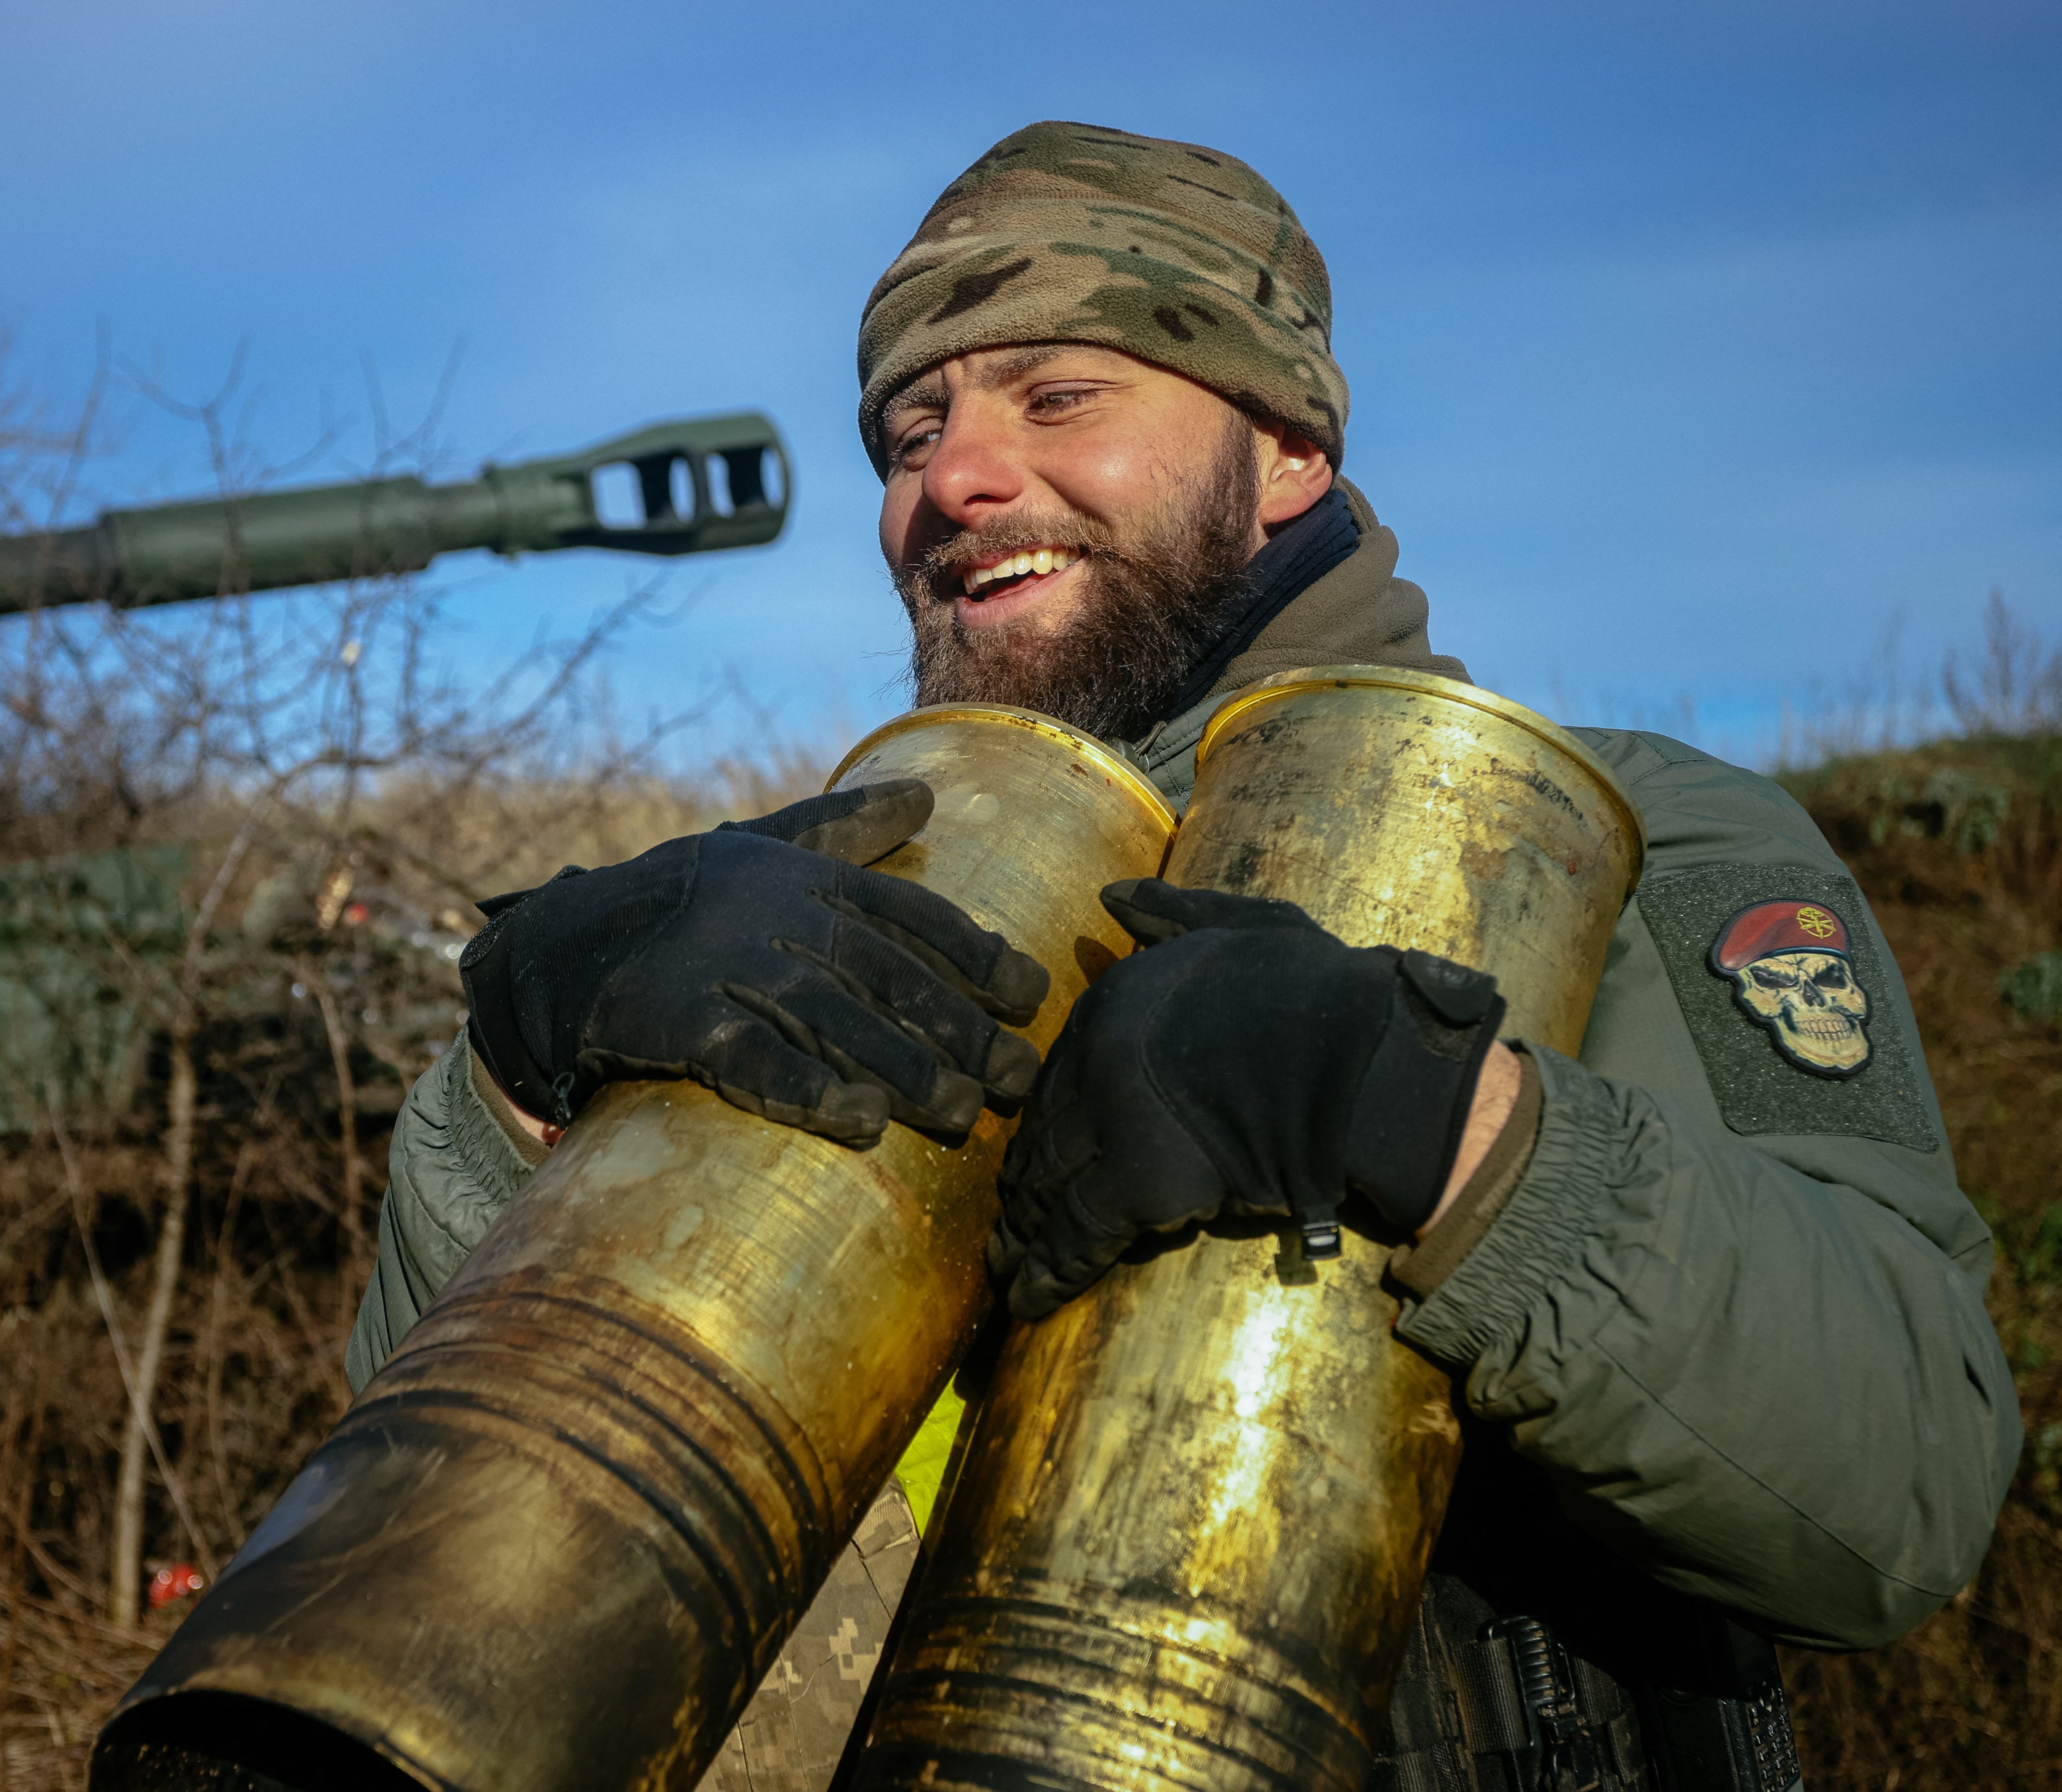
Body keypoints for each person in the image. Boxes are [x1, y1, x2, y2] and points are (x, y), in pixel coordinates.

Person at [343, 122, 2018, 1792]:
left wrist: (1435, 1118)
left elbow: (1904, 1484)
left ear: (1285, 447)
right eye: (910, 428)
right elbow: (418, 1542)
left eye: (1057, 396)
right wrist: (511, 1082)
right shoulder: (797, 896)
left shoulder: (1621, 839)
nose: (952, 479)